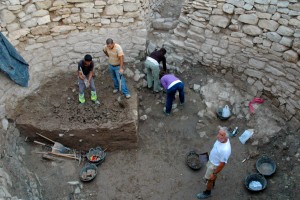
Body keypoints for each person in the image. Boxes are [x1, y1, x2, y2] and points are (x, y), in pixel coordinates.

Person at [196, 129, 231, 199]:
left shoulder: (226, 149)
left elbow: (222, 164)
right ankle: (213, 182)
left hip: (214, 166)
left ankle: (207, 192)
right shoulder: (220, 140)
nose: (218, 136)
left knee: (209, 180)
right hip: (211, 161)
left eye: (221, 135)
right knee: (212, 178)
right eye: (218, 133)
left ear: (226, 137)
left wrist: (214, 174)